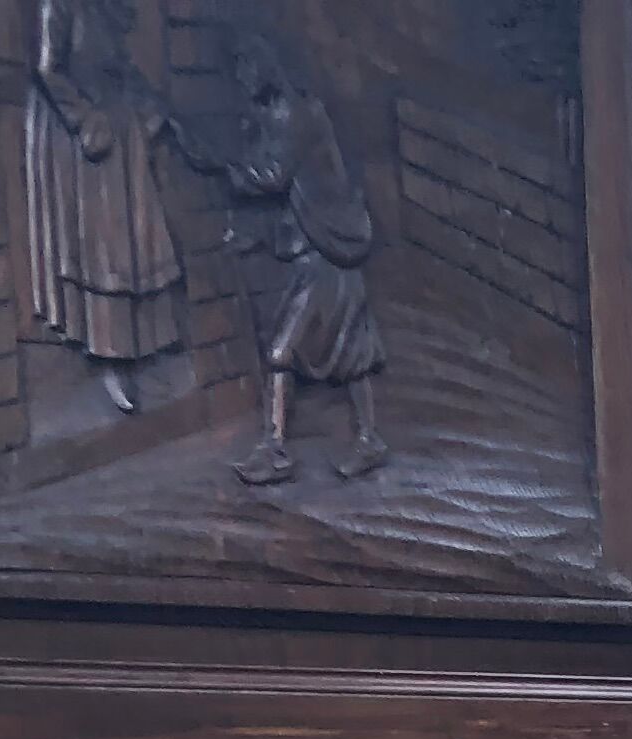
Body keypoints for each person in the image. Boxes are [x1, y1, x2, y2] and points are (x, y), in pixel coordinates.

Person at [214, 36, 388, 484]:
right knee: (352, 347)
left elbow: (271, 177)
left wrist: (226, 167)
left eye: (246, 68)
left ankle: (275, 447)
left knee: (283, 350)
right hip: (318, 251)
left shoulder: (294, 115)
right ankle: (368, 438)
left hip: (327, 251)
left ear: (268, 66)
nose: (240, 79)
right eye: (236, 70)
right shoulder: (282, 115)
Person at [22, 0, 184, 408]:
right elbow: (48, 70)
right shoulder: (58, 6)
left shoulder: (109, 10)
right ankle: (110, 357)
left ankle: (144, 345)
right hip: (82, 140)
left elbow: (118, 66)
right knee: (104, 247)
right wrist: (86, 121)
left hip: (119, 129)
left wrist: (149, 106)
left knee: (138, 236)